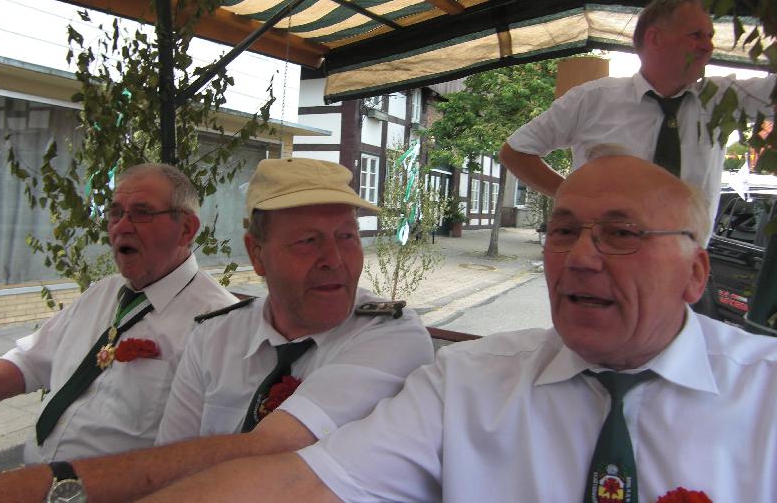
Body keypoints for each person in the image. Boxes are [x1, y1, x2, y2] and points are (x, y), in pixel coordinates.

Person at [136, 155, 777, 503]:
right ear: (257, 256)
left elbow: (275, 456)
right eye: (562, 230)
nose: (581, 257)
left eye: (621, 234)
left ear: (696, 274)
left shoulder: (766, 397)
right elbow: (301, 483)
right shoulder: (466, 385)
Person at [0, 157, 433, 503]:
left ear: (186, 230)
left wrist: (51, 485)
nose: (334, 259)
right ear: (256, 255)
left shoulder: (388, 334)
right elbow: (171, 458)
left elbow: (271, 447)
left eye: (347, 236)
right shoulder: (215, 335)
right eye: (308, 241)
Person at [0, 163, 236, 465]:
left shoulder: (220, 323)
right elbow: (30, 361)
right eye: (115, 213)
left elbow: (205, 460)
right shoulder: (102, 293)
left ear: (186, 229)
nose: (121, 227)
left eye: (141, 213)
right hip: (32, 478)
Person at [500, 0, 775, 227]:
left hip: (683, 264)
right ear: (654, 39)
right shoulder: (593, 99)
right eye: (696, 35)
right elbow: (516, 152)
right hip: (600, 261)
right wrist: (574, 199)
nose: (708, 46)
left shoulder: (722, 98)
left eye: (710, 35)